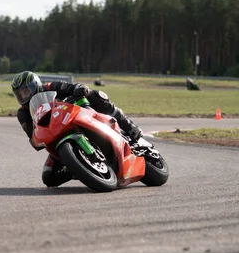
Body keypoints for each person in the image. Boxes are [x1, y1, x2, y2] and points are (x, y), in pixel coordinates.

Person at [11, 70, 143, 188]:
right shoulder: (23, 113)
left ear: (35, 85)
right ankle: (78, 166)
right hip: (56, 135)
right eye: (19, 94)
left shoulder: (50, 87)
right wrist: (35, 140)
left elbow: (72, 87)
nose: (23, 97)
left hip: (75, 115)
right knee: (48, 177)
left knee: (95, 95)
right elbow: (32, 135)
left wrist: (80, 89)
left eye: (25, 91)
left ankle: (129, 125)